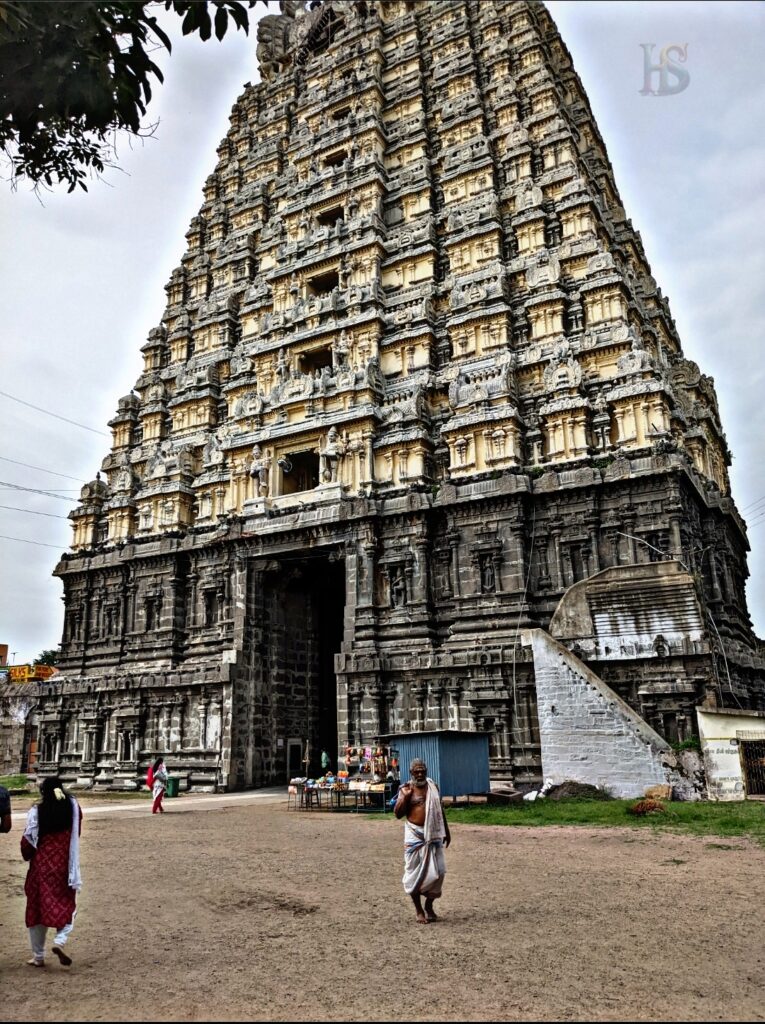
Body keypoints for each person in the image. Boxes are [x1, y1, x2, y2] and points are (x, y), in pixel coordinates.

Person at [21, 776, 82, 967]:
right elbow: (76, 831)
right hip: (63, 864)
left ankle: (38, 956)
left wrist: (27, 854)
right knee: (66, 903)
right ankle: (60, 940)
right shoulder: (72, 809)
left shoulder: (37, 811)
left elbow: (28, 841)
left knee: (36, 908)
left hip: (41, 867)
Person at [394, 757, 451, 924]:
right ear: (411, 772)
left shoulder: (433, 787)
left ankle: (429, 905)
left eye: (422, 770)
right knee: (414, 874)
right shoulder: (406, 789)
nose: (420, 773)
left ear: (426, 771)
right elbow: (397, 814)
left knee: (439, 872)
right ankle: (419, 910)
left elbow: (439, 810)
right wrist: (405, 798)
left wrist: (446, 831)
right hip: (415, 836)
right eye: (416, 771)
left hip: (434, 834)